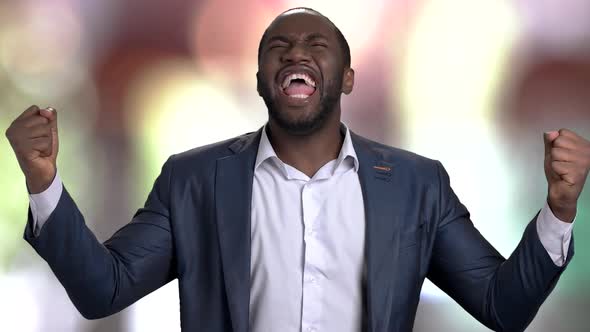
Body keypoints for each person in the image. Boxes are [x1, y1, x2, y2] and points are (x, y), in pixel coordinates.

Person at [5, 7, 590, 332]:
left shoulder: (416, 186)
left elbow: (502, 305)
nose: (296, 56)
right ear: (260, 78)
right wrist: (43, 182)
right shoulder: (195, 182)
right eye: (278, 49)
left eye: (318, 46)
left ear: (349, 78)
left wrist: (560, 211)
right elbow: (103, 288)